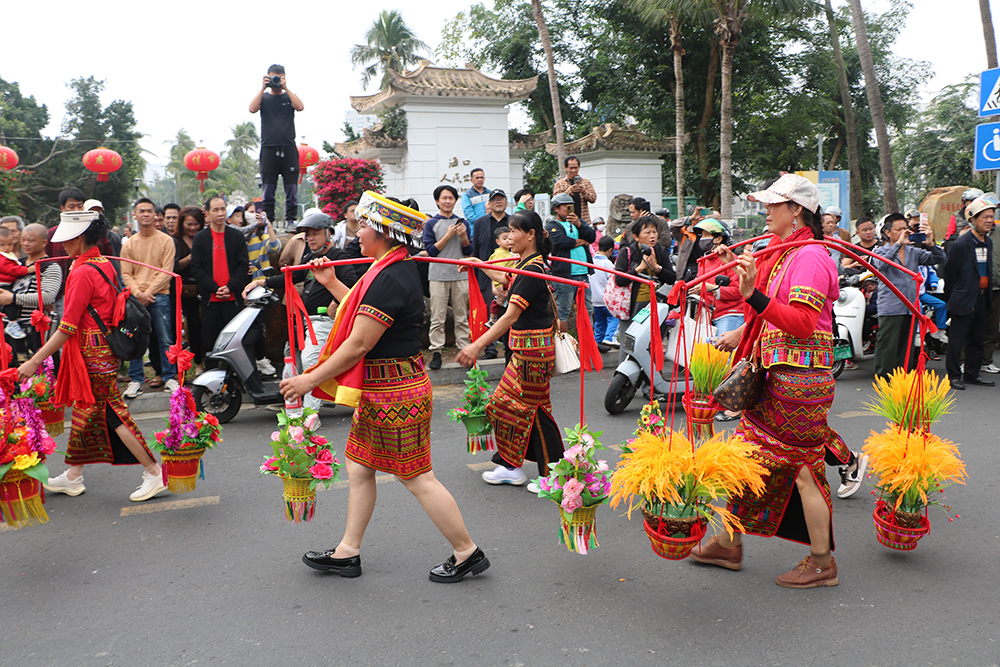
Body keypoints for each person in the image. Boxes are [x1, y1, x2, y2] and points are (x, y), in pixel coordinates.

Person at [281, 192, 489, 583]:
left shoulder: (389, 276)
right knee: (359, 467)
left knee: (417, 478)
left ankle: (467, 552)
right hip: (387, 389)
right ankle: (347, 552)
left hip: (396, 393)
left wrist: (309, 379)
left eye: (363, 225)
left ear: (384, 232)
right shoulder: (390, 269)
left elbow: (360, 342)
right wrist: (331, 284)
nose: (356, 233)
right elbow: (365, 316)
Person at [691, 174, 847, 587]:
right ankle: (728, 541)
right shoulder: (784, 254)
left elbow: (798, 323)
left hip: (799, 385)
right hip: (776, 378)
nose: (765, 210)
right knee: (746, 456)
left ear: (796, 210)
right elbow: (764, 306)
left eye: (772, 204)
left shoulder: (811, 256)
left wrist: (752, 295)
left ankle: (821, 561)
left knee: (804, 471)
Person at [22, 210, 167, 502]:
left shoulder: (82, 270)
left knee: (112, 413)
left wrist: (35, 360)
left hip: (92, 351)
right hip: (103, 348)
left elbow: (67, 326)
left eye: (66, 240)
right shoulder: (102, 262)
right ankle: (73, 475)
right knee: (87, 409)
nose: (62, 245)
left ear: (78, 238)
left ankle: (153, 471)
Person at [457, 210, 564, 491]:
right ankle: (510, 465)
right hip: (524, 353)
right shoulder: (527, 265)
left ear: (530, 235)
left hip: (533, 354)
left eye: (514, 231)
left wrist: (476, 346)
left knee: (536, 411)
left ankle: (553, 475)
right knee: (504, 406)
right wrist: (479, 264)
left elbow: (510, 316)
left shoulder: (533, 269)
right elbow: (508, 281)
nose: (509, 236)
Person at [245, 211, 362, 416]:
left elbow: (352, 283)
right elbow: (290, 277)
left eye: (315, 233)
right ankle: (293, 410)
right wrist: (260, 282)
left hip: (322, 321)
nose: (310, 237)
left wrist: (335, 301)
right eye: (308, 234)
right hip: (302, 320)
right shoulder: (309, 257)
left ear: (329, 234)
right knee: (291, 359)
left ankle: (309, 415)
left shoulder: (339, 257)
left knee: (311, 361)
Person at [871, 212, 945, 380]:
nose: (904, 232)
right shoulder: (880, 251)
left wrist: (931, 243)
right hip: (891, 308)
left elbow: (939, 259)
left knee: (906, 347)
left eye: (906, 228)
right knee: (888, 347)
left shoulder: (914, 252)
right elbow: (882, 265)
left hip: (911, 307)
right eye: (899, 229)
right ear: (887, 232)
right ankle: (884, 381)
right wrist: (898, 244)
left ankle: (901, 381)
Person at [121, 198, 179, 398]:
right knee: (135, 340)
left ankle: (170, 376)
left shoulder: (166, 240)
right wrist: (138, 294)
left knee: (165, 339)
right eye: (141, 211)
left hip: (160, 296)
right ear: (135, 215)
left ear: (155, 216)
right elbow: (126, 274)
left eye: (149, 211)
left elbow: (166, 271)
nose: (145, 214)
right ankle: (136, 379)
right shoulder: (129, 245)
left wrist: (149, 292)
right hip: (136, 299)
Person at [191, 196, 250, 369]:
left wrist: (230, 287)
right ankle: (212, 379)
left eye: (223, 209)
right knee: (211, 341)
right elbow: (197, 269)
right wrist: (215, 288)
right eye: (215, 210)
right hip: (211, 300)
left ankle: (236, 378)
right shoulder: (201, 238)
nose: (220, 213)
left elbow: (242, 265)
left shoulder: (236, 236)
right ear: (207, 213)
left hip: (234, 299)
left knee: (235, 342)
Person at [944, 196, 996, 391]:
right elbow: (950, 275)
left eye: (991, 217)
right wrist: (953, 299)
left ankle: (972, 373)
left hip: (983, 298)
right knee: (957, 341)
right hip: (963, 300)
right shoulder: (961, 244)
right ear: (972, 219)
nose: (989, 221)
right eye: (985, 217)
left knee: (977, 338)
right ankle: (954, 376)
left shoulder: (988, 242)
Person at [423, 184, 472, 371]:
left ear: (455, 200)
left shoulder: (463, 222)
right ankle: (436, 352)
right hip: (437, 275)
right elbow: (431, 251)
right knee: (437, 316)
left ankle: (465, 350)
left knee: (461, 316)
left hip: (459, 274)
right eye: (444, 198)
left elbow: (469, 250)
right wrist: (448, 235)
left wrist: (464, 236)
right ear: (437, 201)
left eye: (451, 198)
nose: (447, 201)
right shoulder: (431, 223)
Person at [613, 216, 676, 363]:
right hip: (632, 305)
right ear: (636, 236)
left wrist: (657, 268)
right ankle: (624, 380)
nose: (652, 236)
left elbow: (671, 278)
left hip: (656, 306)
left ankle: (651, 381)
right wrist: (639, 268)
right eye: (647, 232)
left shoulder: (660, 251)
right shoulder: (627, 252)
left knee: (652, 343)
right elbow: (619, 280)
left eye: (654, 232)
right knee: (628, 343)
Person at [249, 64, 304, 227]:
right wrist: (262, 88)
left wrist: (286, 88)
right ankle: (269, 221)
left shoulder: (289, 97)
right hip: (268, 148)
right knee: (268, 188)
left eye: (279, 78)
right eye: (273, 77)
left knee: (291, 188)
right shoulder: (264, 98)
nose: (276, 81)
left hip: (288, 147)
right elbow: (252, 108)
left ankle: (291, 220)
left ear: (284, 78)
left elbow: (300, 106)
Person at [2, 223, 62, 360]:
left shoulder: (50, 266)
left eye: (31, 240)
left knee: (34, 374)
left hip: (33, 330)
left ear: (44, 242)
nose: (25, 243)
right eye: (23, 239)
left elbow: (48, 296)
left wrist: (13, 298)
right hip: (6, 328)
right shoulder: (17, 264)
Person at [546, 192, 596, 333]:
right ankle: (565, 344)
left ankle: (588, 343)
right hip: (564, 275)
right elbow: (561, 242)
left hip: (583, 274)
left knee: (588, 310)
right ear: (556, 208)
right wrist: (582, 241)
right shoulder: (552, 225)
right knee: (563, 311)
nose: (568, 210)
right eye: (565, 207)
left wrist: (579, 224)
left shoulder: (578, 222)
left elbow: (591, 236)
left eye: (571, 207)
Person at [471, 189, 511, 360]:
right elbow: (476, 249)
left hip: (510, 274)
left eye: (501, 199)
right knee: (490, 310)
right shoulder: (480, 223)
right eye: (495, 199)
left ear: (506, 202)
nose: (498, 202)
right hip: (487, 273)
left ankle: (510, 346)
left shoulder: (513, 221)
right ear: (489, 203)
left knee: (509, 309)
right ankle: (490, 349)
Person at [173, 206, 206, 376]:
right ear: (182, 223)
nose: (193, 228)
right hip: (186, 291)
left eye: (196, 224)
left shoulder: (205, 238)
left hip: (206, 287)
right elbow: (173, 266)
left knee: (208, 325)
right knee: (193, 327)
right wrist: (191, 257)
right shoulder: (175, 241)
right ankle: (198, 364)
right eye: (189, 224)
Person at [589, 235, 619, 349]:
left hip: (594, 299)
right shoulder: (608, 264)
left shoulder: (591, 261)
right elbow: (612, 281)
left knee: (600, 322)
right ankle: (610, 337)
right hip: (606, 299)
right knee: (614, 318)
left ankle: (598, 341)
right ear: (610, 249)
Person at [552, 156, 597, 223]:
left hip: (584, 221)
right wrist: (569, 191)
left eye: (576, 168)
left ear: (579, 167)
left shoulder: (586, 182)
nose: (574, 170)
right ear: (565, 168)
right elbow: (555, 201)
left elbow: (593, 199)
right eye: (571, 168)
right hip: (567, 221)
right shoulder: (559, 183)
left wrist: (584, 191)